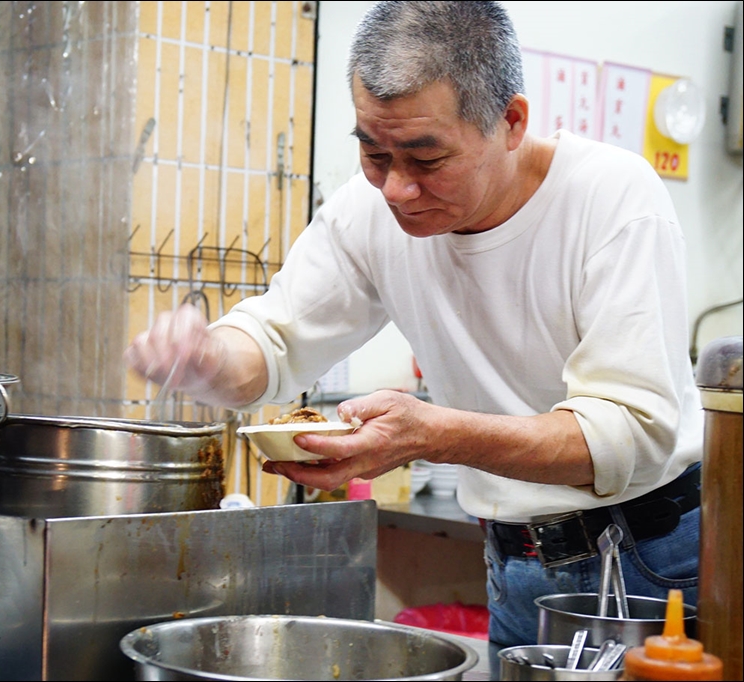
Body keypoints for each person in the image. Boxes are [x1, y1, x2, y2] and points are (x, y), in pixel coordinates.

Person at [124, 0, 703, 647]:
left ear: (510, 123)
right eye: (374, 153)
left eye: (426, 160)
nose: (396, 188)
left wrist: (431, 434)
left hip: (650, 559)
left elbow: (631, 435)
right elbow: (273, 340)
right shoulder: (368, 212)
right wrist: (207, 356)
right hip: (513, 561)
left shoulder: (612, 199)